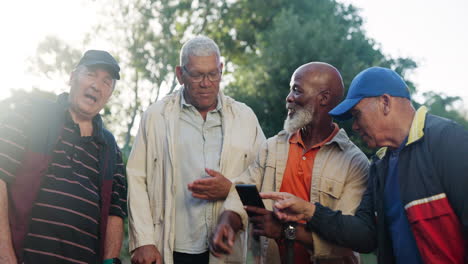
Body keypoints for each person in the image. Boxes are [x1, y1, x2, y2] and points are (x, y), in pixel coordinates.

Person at [262, 67, 468, 264]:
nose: (355, 126)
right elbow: (365, 235)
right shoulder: (380, 166)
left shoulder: (449, 142)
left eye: (357, 114)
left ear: (385, 103)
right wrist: (309, 211)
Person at [210, 62, 369, 264]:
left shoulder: (355, 164)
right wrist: (228, 220)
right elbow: (242, 188)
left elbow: (346, 239)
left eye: (297, 90)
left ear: (324, 98)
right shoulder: (272, 147)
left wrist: (286, 231)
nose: (289, 98)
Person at [127, 35, 265, 264]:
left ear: (221, 70)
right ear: (180, 74)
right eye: (197, 74)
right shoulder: (155, 116)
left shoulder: (245, 118)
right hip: (168, 249)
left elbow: (263, 182)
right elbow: (136, 179)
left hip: (224, 251)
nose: (206, 83)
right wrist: (143, 241)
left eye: (212, 74)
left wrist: (230, 189)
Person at [0, 50, 128, 264]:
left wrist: (110, 262)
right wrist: (5, 256)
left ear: (110, 94)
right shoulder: (32, 114)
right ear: (72, 77)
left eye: (107, 82)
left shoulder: (110, 147)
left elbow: (115, 211)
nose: (97, 85)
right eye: (91, 74)